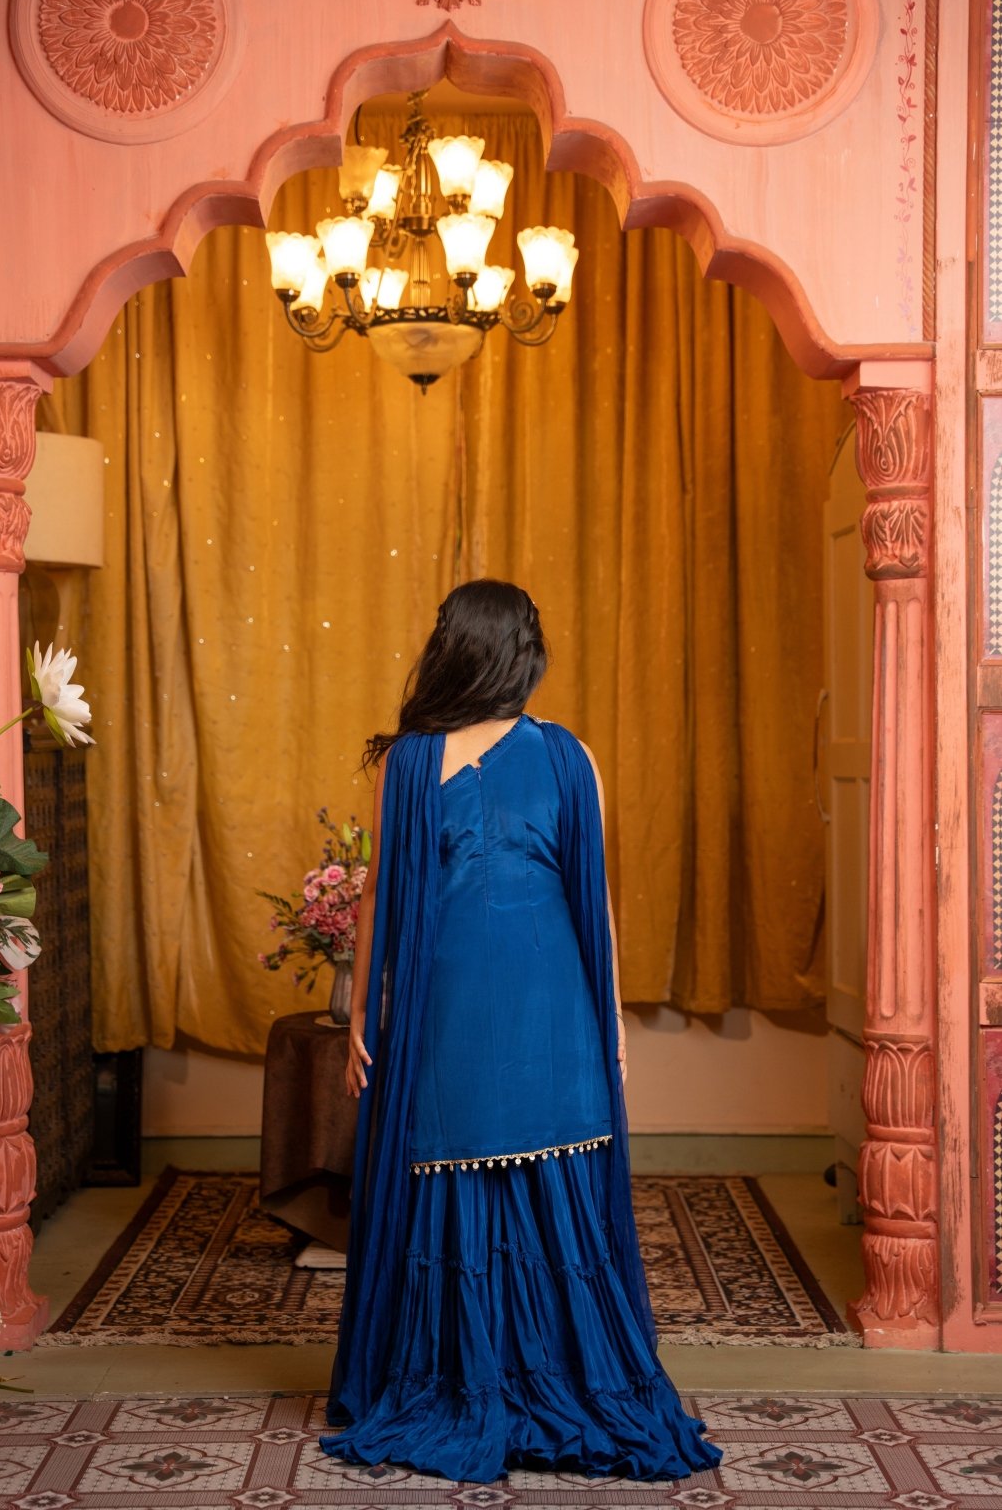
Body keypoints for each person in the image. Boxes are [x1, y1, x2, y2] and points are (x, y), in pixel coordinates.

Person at [320, 579, 722, 1483]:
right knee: (466, 1160)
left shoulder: (551, 757)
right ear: (516, 651)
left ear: (453, 646)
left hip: (539, 1010)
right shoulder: (427, 761)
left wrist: (607, 1019)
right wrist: (358, 1020)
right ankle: (483, 1378)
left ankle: (516, 1377)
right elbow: (390, 897)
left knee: (517, 1167)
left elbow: (588, 897)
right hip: (479, 1008)